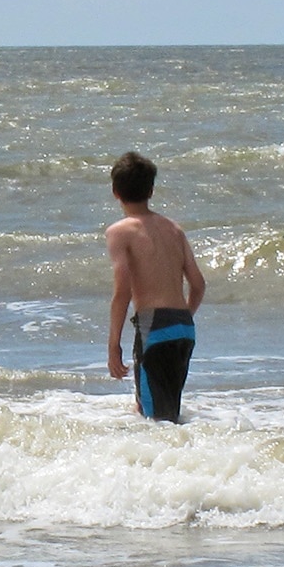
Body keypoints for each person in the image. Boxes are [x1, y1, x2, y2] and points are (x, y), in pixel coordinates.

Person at [104, 151, 205, 423]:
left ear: (115, 192)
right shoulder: (174, 229)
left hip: (154, 329)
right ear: (151, 190)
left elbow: (122, 291)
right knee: (169, 414)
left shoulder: (119, 232)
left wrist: (114, 344)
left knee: (154, 421)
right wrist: (183, 317)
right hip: (184, 328)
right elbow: (198, 284)